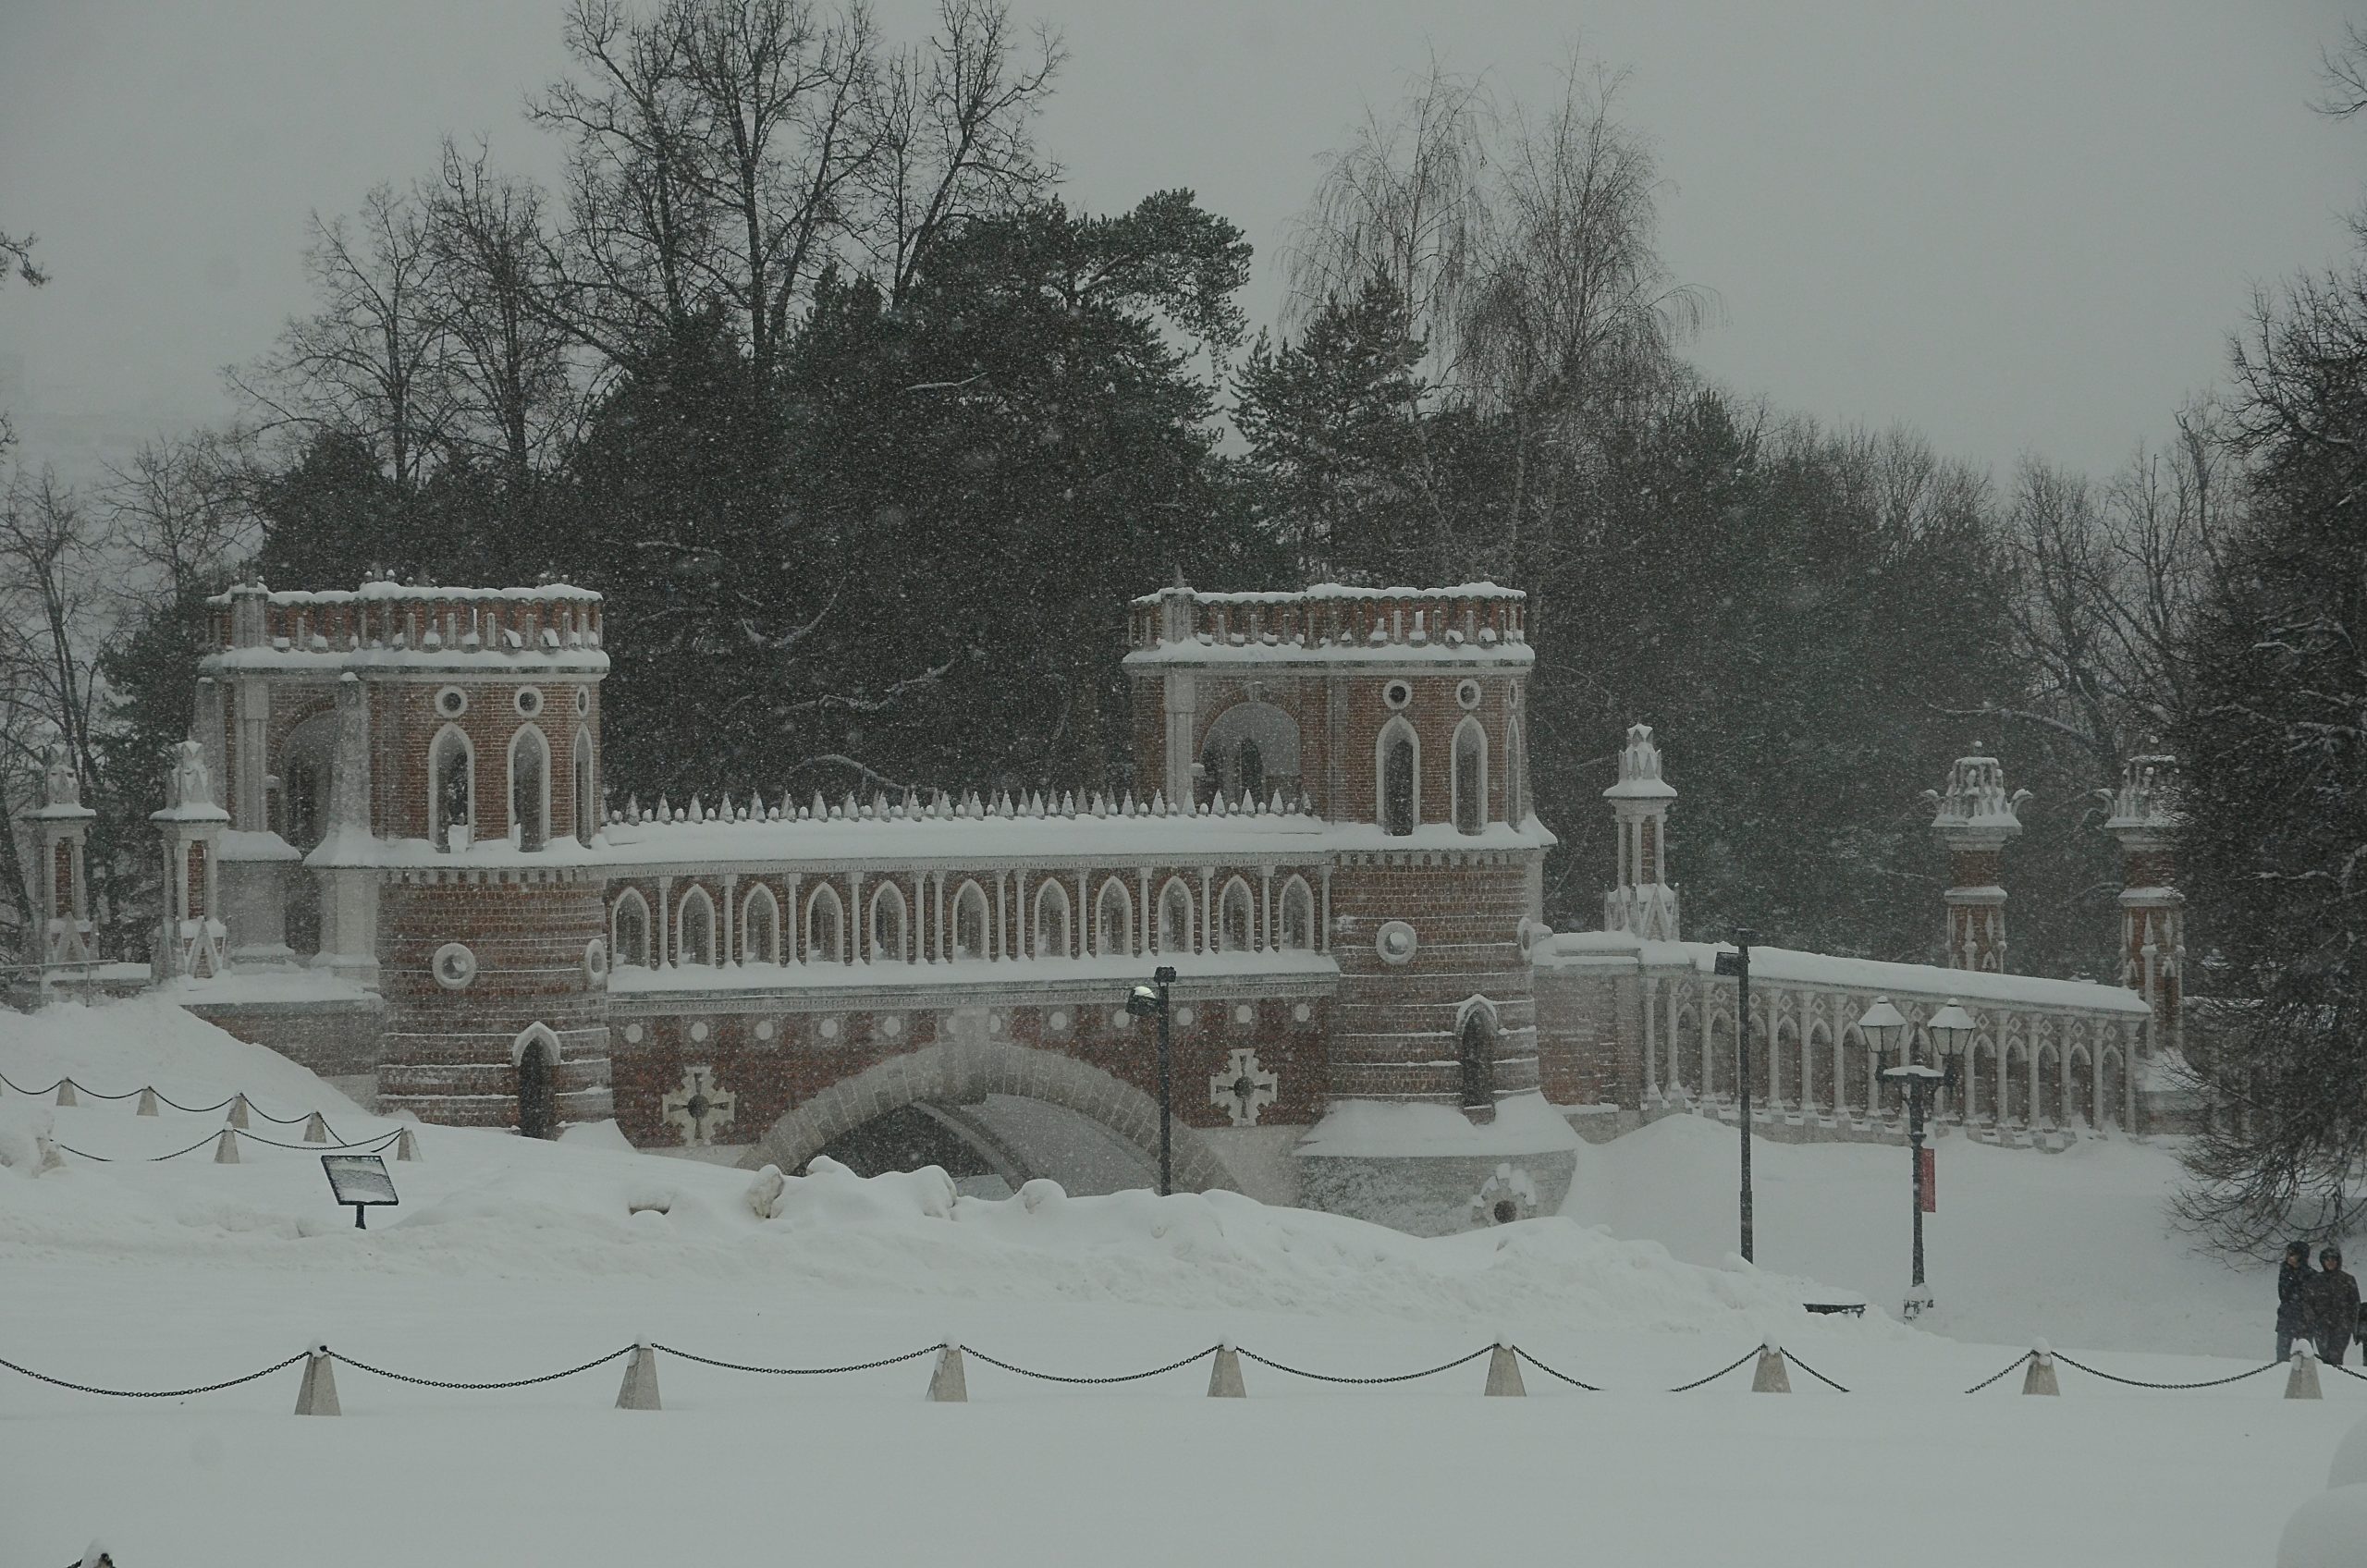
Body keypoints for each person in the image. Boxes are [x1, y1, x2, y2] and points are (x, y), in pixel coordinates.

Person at [2305, 1246, 2360, 1366]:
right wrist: (2313, 1320)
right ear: (2322, 1261)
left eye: (2333, 1259)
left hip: (2342, 1325)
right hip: (2321, 1325)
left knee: (2336, 1357)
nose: (2330, 1262)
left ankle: (2336, 1380)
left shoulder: (2347, 1280)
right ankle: (2328, 1380)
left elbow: (2355, 1304)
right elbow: (2307, 1302)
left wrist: (2350, 1324)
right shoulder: (2314, 1280)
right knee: (2324, 1356)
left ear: (2338, 1261)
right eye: (2327, 1259)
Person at [2277, 1241, 2314, 1363]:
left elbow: (2308, 1297)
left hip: (2304, 1317)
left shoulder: (2311, 1275)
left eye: (2293, 1254)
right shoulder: (2285, 1272)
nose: (2289, 1257)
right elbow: (2283, 1295)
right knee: (2282, 1352)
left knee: (2305, 1354)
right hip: (2286, 1316)